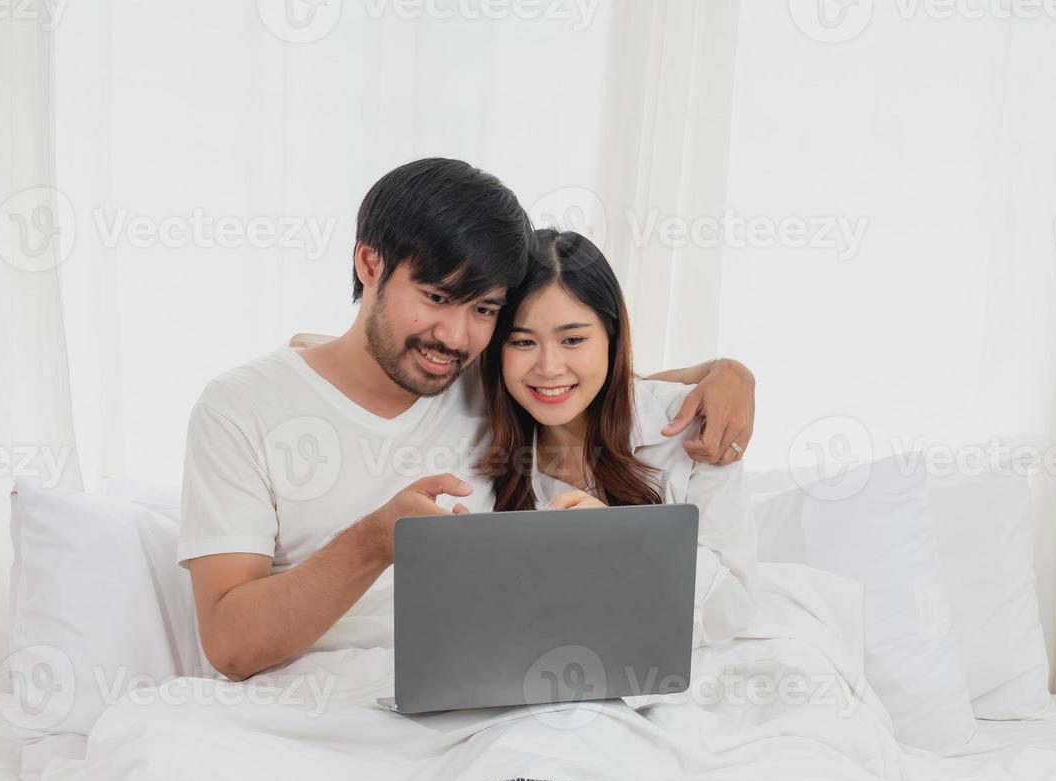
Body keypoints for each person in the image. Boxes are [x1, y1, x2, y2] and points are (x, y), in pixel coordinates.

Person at [178, 158, 756, 685]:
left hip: (488, 696)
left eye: (484, 310)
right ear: (368, 262)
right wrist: (377, 540)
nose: (455, 338)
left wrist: (725, 371)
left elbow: (587, 380)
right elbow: (229, 647)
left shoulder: (488, 381)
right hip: (317, 696)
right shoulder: (239, 409)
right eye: (435, 297)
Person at [478, 229, 758, 645]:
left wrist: (618, 546)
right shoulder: (479, 434)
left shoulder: (694, 427)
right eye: (522, 342)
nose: (549, 366)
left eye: (573, 339)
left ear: (612, 338)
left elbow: (731, 608)